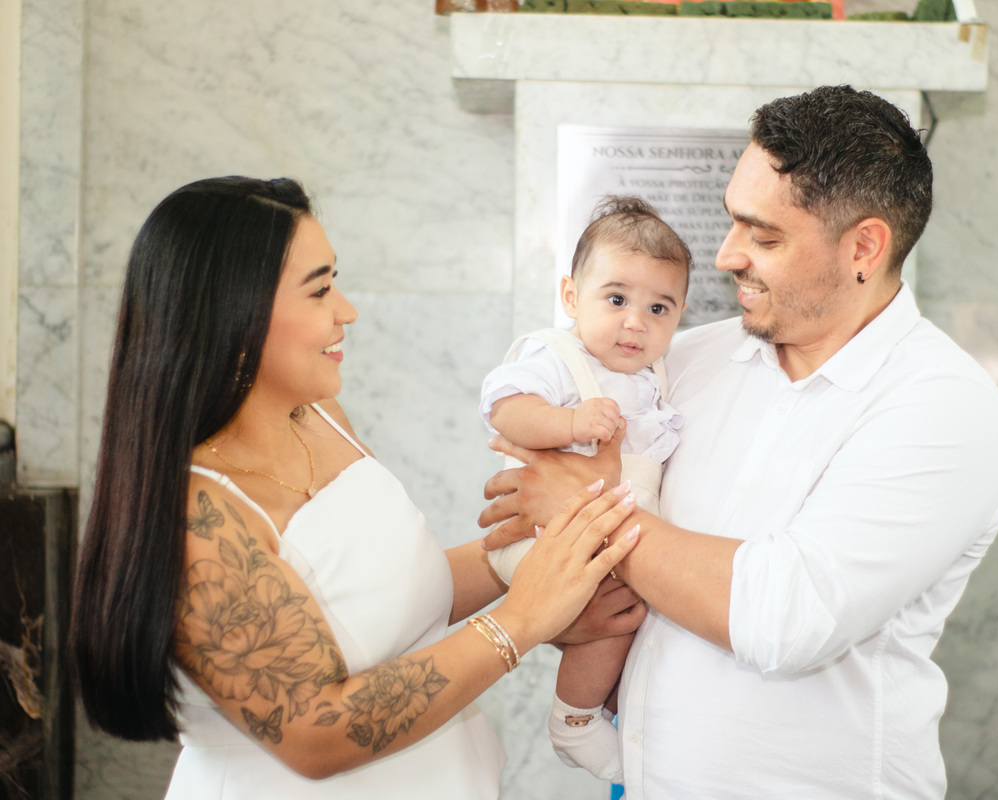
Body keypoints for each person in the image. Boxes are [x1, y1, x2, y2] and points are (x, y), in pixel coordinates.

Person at [478, 85, 998, 798]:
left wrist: (590, 512)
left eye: (763, 237)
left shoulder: (944, 407)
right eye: (735, 224)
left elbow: (783, 619)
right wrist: (566, 612)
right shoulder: (684, 363)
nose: (728, 255)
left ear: (864, 247)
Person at [68, 176, 643, 799]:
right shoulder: (197, 518)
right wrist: (522, 618)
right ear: (233, 311)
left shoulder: (317, 417)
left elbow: (387, 596)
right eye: (319, 289)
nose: (347, 309)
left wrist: (540, 549)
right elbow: (317, 732)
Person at [479, 195, 690, 780]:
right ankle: (574, 721)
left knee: (637, 610)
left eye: (658, 308)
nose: (635, 321)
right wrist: (568, 424)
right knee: (620, 612)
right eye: (617, 299)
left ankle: (614, 707)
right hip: (550, 532)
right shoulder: (556, 353)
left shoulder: (653, 377)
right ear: (572, 296)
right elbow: (505, 408)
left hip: (607, 527)